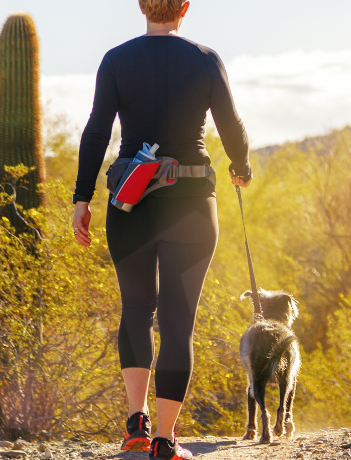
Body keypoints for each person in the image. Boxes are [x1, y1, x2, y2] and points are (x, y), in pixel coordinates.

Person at [71, 1, 252, 459]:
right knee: (177, 323)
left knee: (135, 309)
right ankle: (166, 442)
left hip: (129, 203)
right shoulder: (205, 59)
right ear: (185, 7)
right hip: (192, 204)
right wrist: (241, 166)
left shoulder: (116, 60)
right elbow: (230, 125)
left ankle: (136, 425)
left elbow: (96, 132)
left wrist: (81, 198)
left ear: (141, 5)